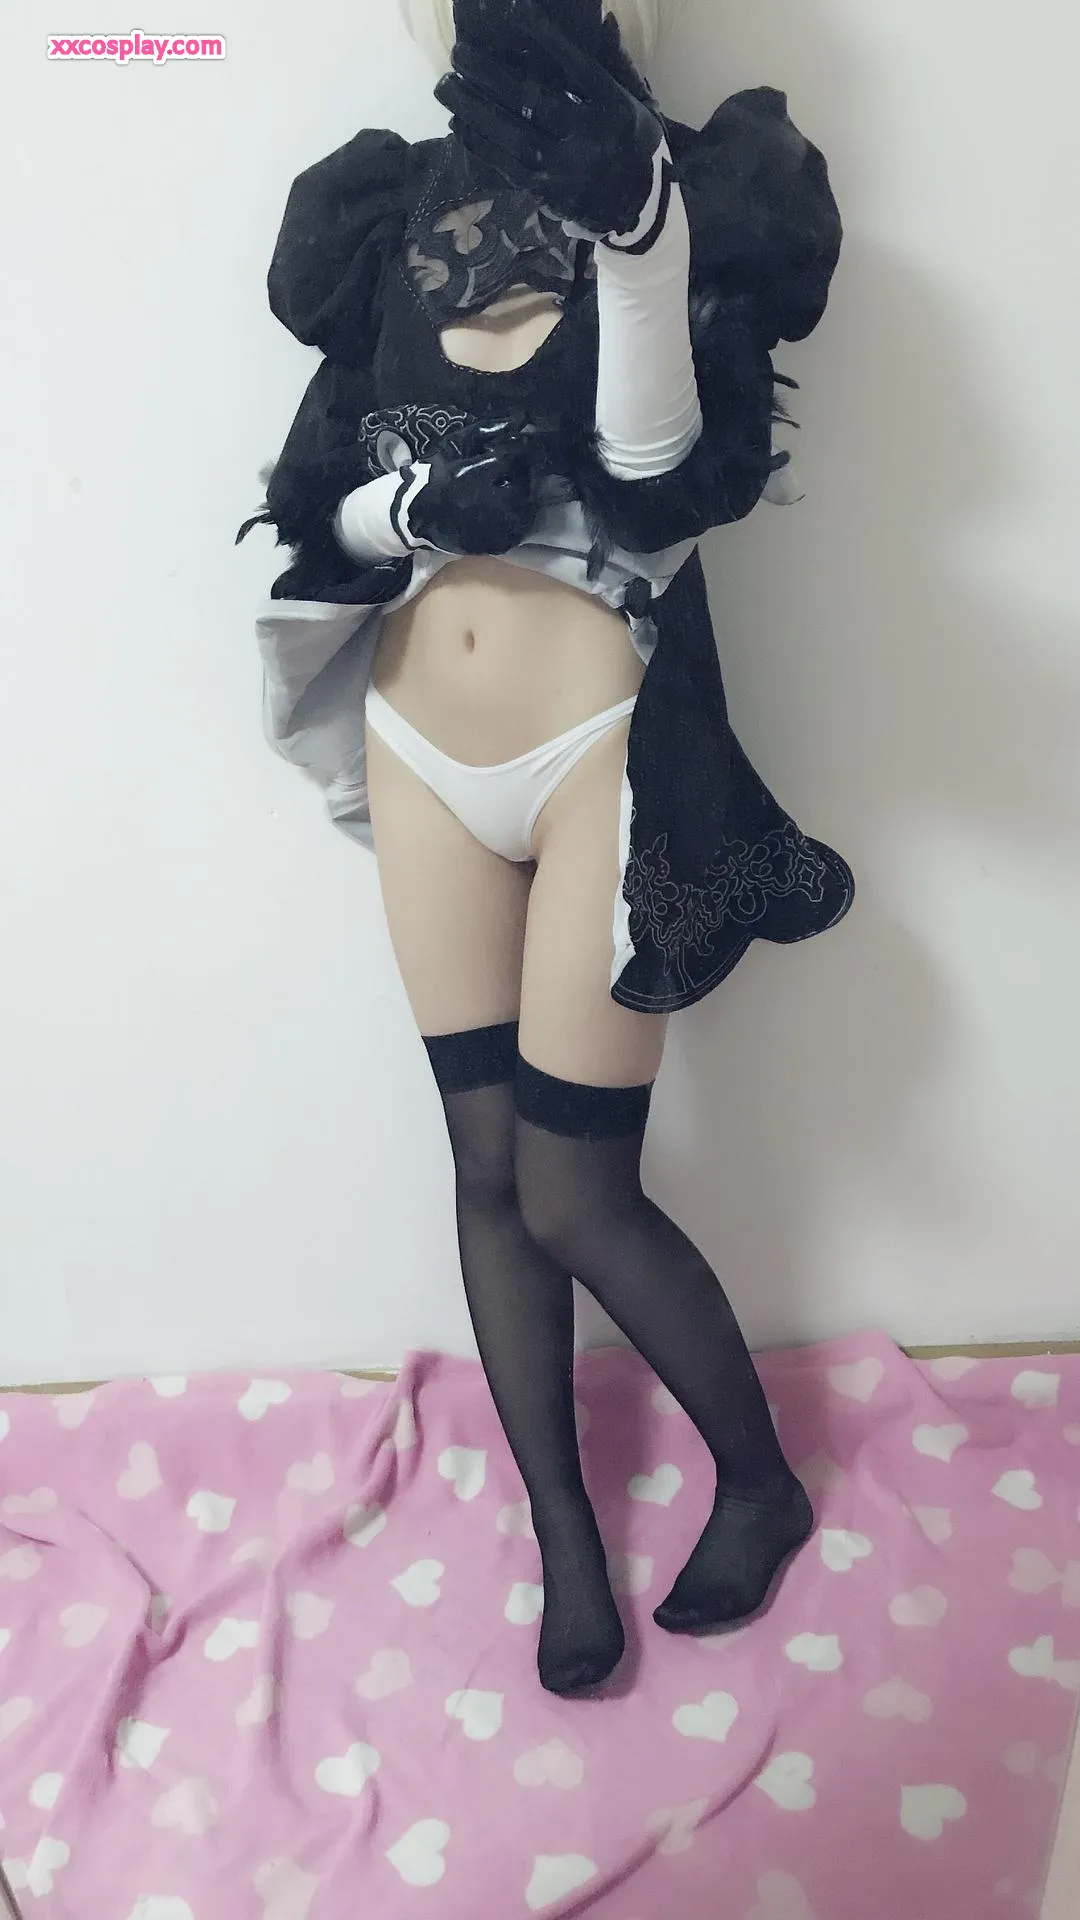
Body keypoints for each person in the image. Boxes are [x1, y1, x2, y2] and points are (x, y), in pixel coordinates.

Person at [240, 0, 854, 1695]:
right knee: (487, 1171)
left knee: (578, 1192)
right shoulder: (386, 207)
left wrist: (639, 236)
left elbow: (663, 482)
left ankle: (759, 1480)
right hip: (418, 743)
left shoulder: (697, 188)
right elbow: (317, 502)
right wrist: (415, 512)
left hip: (604, 751)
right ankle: (564, 1537)